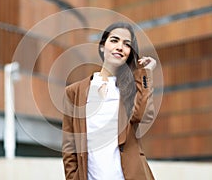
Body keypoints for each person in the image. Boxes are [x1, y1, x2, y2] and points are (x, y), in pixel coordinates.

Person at [62, 22, 156, 180]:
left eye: (127, 44)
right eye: (114, 40)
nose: (120, 47)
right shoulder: (74, 92)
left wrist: (145, 74)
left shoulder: (131, 90)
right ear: (102, 47)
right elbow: (69, 148)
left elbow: (144, 115)